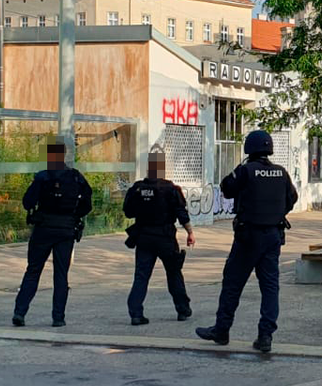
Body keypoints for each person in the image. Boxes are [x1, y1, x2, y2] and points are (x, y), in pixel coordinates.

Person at [195, 129, 297, 353]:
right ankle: (265, 336)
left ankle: (221, 331)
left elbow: (226, 188)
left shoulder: (246, 170)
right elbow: (292, 199)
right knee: (270, 287)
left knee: (233, 283)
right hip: (273, 236)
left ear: (249, 148)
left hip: (248, 237)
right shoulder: (281, 172)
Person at [12, 140, 93, 328]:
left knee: (32, 271)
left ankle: (20, 312)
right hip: (65, 230)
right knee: (61, 275)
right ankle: (58, 317)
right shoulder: (76, 178)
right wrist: (73, 217)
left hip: (43, 229)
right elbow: (87, 204)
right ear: (63, 155)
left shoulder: (42, 177)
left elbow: (27, 202)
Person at [123, 151, 196, 325]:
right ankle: (183, 310)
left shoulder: (137, 188)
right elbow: (181, 213)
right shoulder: (170, 189)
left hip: (144, 237)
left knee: (141, 276)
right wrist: (190, 232)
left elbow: (128, 211)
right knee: (174, 273)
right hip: (165, 238)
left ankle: (135, 313)